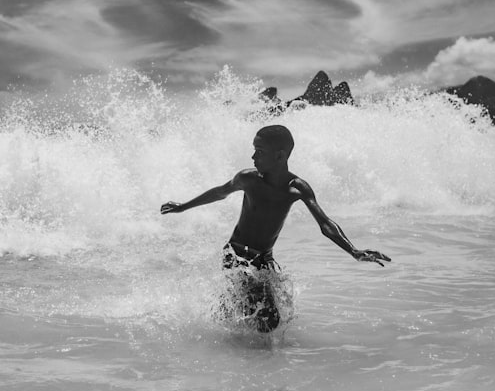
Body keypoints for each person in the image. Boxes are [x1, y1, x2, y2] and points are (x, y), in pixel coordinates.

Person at [160, 125, 391, 332]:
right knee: (268, 320)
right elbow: (220, 192)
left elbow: (325, 223)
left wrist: (353, 251)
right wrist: (183, 207)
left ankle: (229, 333)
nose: (253, 156)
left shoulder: (297, 188)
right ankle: (231, 342)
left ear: (280, 156)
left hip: (264, 260)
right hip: (236, 255)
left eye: (259, 151)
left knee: (274, 315)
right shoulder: (248, 179)